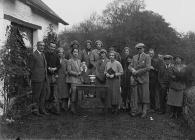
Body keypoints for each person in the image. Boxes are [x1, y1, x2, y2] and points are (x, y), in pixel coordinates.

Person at [30, 41, 49, 116]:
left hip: (44, 79)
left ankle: (42, 109)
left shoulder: (43, 54)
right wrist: (33, 78)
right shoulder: (33, 55)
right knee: (36, 96)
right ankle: (35, 111)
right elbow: (31, 68)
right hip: (37, 79)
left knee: (43, 95)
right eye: (40, 45)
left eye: (43, 46)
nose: (42, 47)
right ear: (37, 46)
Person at [132, 43, 151, 118]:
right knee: (138, 95)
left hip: (144, 79)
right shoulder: (134, 57)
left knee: (144, 95)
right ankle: (139, 110)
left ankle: (144, 111)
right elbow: (130, 66)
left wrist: (137, 72)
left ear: (144, 48)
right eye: (138, 49)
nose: (139, 50)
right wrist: (132, 69)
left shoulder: (147, 56)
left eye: (141, 48)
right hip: (136, 79)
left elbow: (148, 68)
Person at [44, 42, 60, 114]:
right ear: (49, 47)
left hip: (54, 76)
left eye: (54, 47)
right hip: (47, 75)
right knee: (47, 92)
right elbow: (43, 64)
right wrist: (48, 68)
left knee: (54, 93)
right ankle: (46, 108)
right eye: (51, 47)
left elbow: (59, 65)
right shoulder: (45, 54)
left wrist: (55, 68)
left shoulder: (56, 56)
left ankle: (54, 109)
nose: (52, 48)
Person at [66, 48, 83, 114]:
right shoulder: (69, 61)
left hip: (79, 80)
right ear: (72, 53)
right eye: (74, 52)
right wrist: (76, 74)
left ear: (78, 53)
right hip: (73, 80)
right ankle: (72, 108)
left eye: (77, 52)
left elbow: (81, 69)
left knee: (78, 94)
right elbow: (69, 71)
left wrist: (83, 68)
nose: (75, 53)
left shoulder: (79, 61)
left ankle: (76, 107)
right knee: (73, 94)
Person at [56, 48, 69, 112]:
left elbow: (68, 69)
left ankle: (64, 106)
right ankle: (59, 106)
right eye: (59, 52)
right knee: (58, 91)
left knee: (65, 92)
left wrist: (67, 72)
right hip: (58, 78)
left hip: (64, 78)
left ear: (63, 54)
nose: (60, 53)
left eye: (61, 52)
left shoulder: (66, 61)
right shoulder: (55, 60)